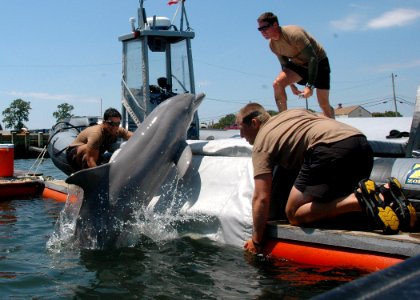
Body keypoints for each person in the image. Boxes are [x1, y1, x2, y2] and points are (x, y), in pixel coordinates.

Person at [237, 103, 415, 254]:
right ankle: (386, 196)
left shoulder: (262, 142)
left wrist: (257, 241)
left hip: (328, 148)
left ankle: (359, 200)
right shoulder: (292, 114)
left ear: (254, 123)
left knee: (294, 213)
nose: (241, 135)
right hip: (361, 144)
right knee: (330, 203)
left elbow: (261, 197)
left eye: (241, 128)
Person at [257, 12, 334, 118]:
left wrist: (309, 86)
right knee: (277, 84)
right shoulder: (273, 45)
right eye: (260, 29)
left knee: (323, 104)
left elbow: (312, 59)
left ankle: (332, 120)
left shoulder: (294, 34)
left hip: (319, 63)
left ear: (275, 25)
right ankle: (283, 119)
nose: (262, 32)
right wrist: (291, 85)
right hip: (299, 65)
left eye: (265, 27)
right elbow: (285, 64)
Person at [66, 108, 133, 171]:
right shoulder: (96, 133)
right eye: (110, 123)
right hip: (75, 155)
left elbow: (133, 135)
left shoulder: (117, 130)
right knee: (87, 150)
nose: (114, 127)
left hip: (96, 153)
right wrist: (98, 179)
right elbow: (91, 160)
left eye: (117, 124)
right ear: (104, 122)